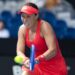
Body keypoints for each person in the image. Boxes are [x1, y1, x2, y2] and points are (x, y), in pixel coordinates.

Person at [16, 2, 68, 75]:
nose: (25, 19)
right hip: (36, 65)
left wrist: (38, 59)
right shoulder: (22, 29)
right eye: (23, 16)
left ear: (36, 16)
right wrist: (25, 60)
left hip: (54, 67)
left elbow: (53, 50)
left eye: (28, 16)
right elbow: (19, 51)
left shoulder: (45, 27)